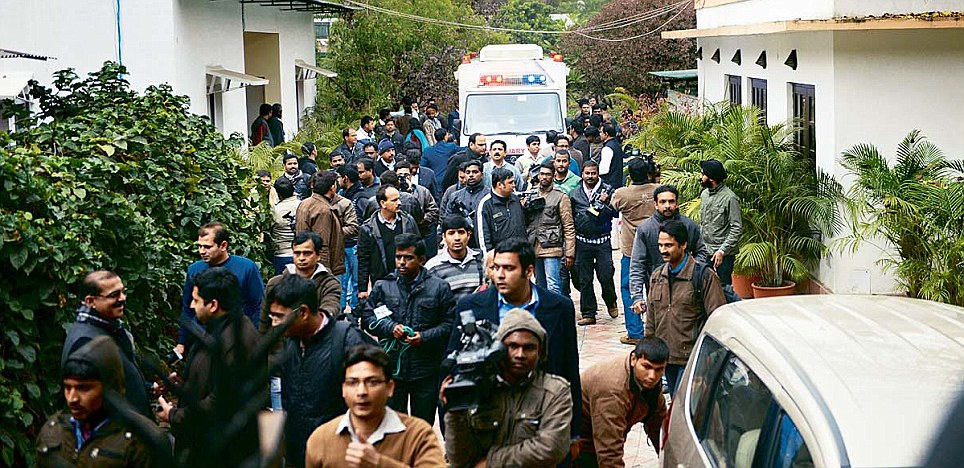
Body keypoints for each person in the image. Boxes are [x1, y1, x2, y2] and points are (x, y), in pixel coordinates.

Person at [446, 238, 582, 449]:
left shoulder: (559, 307)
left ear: (528, 271)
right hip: (490, 417)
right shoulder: (470, 306)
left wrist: (573, 433)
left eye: (508, 268)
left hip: (543, 415)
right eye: (496, 267)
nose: (499, 275)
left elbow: (568, 368)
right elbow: (452, 366)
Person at [158, 267, 266, 466]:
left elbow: (222, 402)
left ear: (214, 305)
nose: (191, 305)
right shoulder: (220, 328)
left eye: (196, 300)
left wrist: (174, 416)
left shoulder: (237, 340)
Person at [266, 274, 374, 468]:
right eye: (272, 316)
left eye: (279, 316)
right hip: (300, 453)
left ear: (304, 313)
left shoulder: (347, 341)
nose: (274, 324)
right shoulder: (291, 343)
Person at [443, 308, 573, 468]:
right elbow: (460, 459)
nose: (520, 354)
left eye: (529, 348)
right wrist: (455, 414)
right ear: (499, 350)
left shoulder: (554, 391)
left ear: (540, 352)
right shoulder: (478, 389)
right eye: (513, 346)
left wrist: (491, 462)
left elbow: (551, 448)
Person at [360, 234, 455, 424]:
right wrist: (390, 328)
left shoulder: (439, 288)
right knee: (394, 426)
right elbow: (367, 317)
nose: (402, 263)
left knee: (422, 426)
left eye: (408, 258)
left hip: (426, 369)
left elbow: (449, 324)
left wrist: (425, 337)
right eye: (398, 257)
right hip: (393, 370)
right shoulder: (383, 286)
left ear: (421, 260)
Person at [305, 346, 446, 468]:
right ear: (343, 389)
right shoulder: (321, 438)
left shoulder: (418, 435)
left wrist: (379, 463)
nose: (362, 392)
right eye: (353, 382)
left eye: (372, 382)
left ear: (390, 388)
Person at [39, 336, 164, 467]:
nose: (72, 398)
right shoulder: (53, 429)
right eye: (68, 387)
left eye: (84, 389)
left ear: (108, 388)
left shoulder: (138, 440)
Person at [260, 231, 342, 409]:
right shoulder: (276, 283)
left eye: (307, 253)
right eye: (297, 253)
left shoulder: (329, 283)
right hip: (281, 362)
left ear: (318, 255)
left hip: (315, 359)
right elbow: (265, 324)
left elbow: (330, 310)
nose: (301, 258)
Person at [645, 220, 726, 396]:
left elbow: (718, 318)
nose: (663, 250)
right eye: (660, 245)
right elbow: (651, 318)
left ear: (683, 245)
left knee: (684, 405)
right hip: (666, 359)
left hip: (692, 359)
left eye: (668, 245)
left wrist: (709, 357)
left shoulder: (703, 276)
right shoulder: (657, 276)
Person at [62, 271, 152, 418]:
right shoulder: (85, 342)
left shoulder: (109, 328)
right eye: (114, 295)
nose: (122, 298)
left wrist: (147, 388)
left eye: (123, 292)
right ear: (90, 301)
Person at [576, 337, 668, 467]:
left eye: (659, 369)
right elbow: (609, 451)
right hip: (578, 437)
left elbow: (659, 424)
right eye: (646, 367)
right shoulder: (612, 389)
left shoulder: (648, 381)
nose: (652, 376)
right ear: (633, 360)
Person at [177, 222, 264, 356]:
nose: (202, 251)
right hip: (202, 339)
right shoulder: (194, 270)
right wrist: (181, 343)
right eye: (199, 246)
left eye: (207, 247)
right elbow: (187, 308)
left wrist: (256, 338)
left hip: (237, 339)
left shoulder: (247, 268)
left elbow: (258, 305)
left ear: (223, 245)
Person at [629, 185, 710, 319]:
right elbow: (637, 264)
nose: (667, 206)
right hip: (657, 292)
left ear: (677, 203)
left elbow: (701, 250)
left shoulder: (689, 226)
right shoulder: (645, 229)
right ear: (655, 204)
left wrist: (692, 270)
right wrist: (637, 297)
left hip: (688, 291)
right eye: (663, 202)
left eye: (671, 201)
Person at [611, 158, 659, 345]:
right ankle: (657, 328)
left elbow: (612, 210)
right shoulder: (658, 190)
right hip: (657, 248)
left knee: (630, 288)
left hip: (631, 249)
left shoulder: (622, 194)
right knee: (656, 288)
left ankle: (635, 332)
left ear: (629, 175)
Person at [569, 161, 619, 325]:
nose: (590, 177)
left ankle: (611, 300)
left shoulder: (608, 190)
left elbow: (615, 213)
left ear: (598, 173)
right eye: (587, 173)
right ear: (582, 174)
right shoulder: (575, 193)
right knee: (585, 279)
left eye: (593, 173)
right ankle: (588, 313)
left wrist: (604, 204)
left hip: (602, 241)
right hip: (582, 242)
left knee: (606, 274)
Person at [357, 186, 419, 302]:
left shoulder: (408, 221)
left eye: (399, 199)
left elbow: (418, 248)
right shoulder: (368, 228)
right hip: (382, 281)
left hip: (408, 279)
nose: (399, 203)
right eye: (394, 200)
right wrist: (363, 289)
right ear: (383, 203)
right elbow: (363, 260)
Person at [527, 162, 576, 294]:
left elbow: (568, 225)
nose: (544, 177)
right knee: (539, 285)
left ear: (554, 176)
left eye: (548, 174)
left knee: (553, 284)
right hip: (533, 245)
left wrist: (569, 252)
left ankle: (555, 314)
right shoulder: (530, 195)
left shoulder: (561, 197)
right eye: (542, 174)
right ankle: (543, 313)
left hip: (552, 247)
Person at [699, 159, 742, 286]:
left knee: (723, 289)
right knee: (704, 287)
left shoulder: (730, 198)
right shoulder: (704, 194)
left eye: (703, 174)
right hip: (706, 251)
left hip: (723, 255)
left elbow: (736, 228)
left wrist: (722, 251)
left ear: (711, 178)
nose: (700, 177)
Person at [296, 172, 347, 277]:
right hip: (318, 266)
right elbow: (322, 243)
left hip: (308, 261)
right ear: (332, 187)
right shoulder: (323, 210)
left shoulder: (305, 203)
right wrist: (323, 272)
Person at [425, 215, 485, 303]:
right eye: (451, 233)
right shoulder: (433, 266)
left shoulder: (482, 260)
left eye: (461, 232)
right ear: (444, 237)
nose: (457, 238)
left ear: (468, 235)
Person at [476, 167, 527, 256]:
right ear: (499, 185)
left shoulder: (516, 199)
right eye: (510, 182)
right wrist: (489, 258)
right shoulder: (486, 204)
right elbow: (483, 237)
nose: (514, 185)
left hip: (521, 254)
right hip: (500, 257)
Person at [395, 161, 440, 258]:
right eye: (400, 175)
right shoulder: (392, 194)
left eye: (406, 175)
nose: (403, 178)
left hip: (421, 233)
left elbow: (434, 211)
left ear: (411, 175)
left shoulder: (422, 191)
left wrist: (420, 220)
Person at [441, 160, 488, 248]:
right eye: (468, 172)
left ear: (482, 174)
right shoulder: (455, 196)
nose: (471, 175)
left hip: (483, 242)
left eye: (475, 172)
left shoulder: (489, 195)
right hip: (460, 242)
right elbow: (447, 219)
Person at [270, 177, 301, 275]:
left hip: (282, 253)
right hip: (302, 252)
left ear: (278, 193)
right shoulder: (303, 206)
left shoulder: (275, 210)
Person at [598, 124, 624, 189]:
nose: (600, 134)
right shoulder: (617, 145)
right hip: (617, 182)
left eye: (601, 132)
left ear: (606, 134)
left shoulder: (607, 148)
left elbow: (603, 170)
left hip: (608, 185)